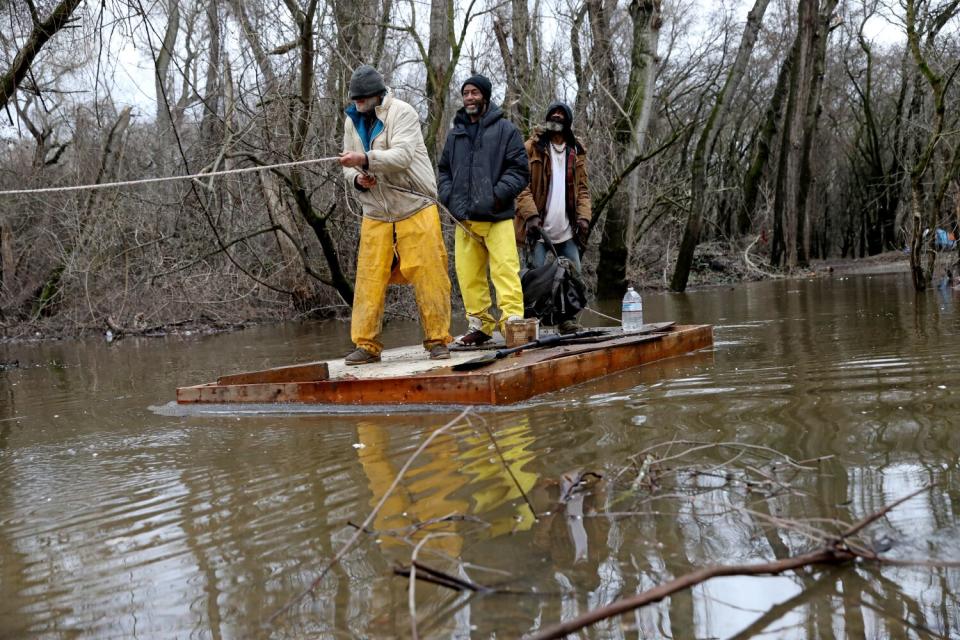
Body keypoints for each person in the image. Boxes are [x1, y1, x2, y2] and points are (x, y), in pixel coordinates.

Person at [339, 64, 453, 365]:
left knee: (430, 274)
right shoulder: (351, 121)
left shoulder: (402, 113)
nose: (357, 104)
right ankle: (366, 345)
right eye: (354, 99)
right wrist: (357, 177)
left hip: (415, 206)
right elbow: (347, 165)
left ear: (377, 96)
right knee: (368, 278)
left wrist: (365, 159)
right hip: (376, 211)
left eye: (361, 99)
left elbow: (402, 157)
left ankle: (438, 340)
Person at [438, 75, 530, 346]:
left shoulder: (506, 130)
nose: (469, 97)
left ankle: (513, 323)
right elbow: (443, 171)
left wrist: (494, 196)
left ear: (485, 97)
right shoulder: (456, 134)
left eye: (474, 92)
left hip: (498, 216)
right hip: (464, 219)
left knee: (505, 271)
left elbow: (519, 171)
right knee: (468, 275)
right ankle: (480, 326)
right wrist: (449, 197)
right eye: (465, 92)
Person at [515, 101, 592, 334]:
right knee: (535, 281)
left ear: (567, 121)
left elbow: (584, 190)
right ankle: (533, 325)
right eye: (553, 114)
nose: (556, 117)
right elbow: (520, 185)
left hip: (567, 231)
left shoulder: (576, 151)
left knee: (574, 279)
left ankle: (567, 322)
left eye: (561, 115)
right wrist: (531, 217)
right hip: (538, 232)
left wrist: (584, 218)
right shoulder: (532, 147)